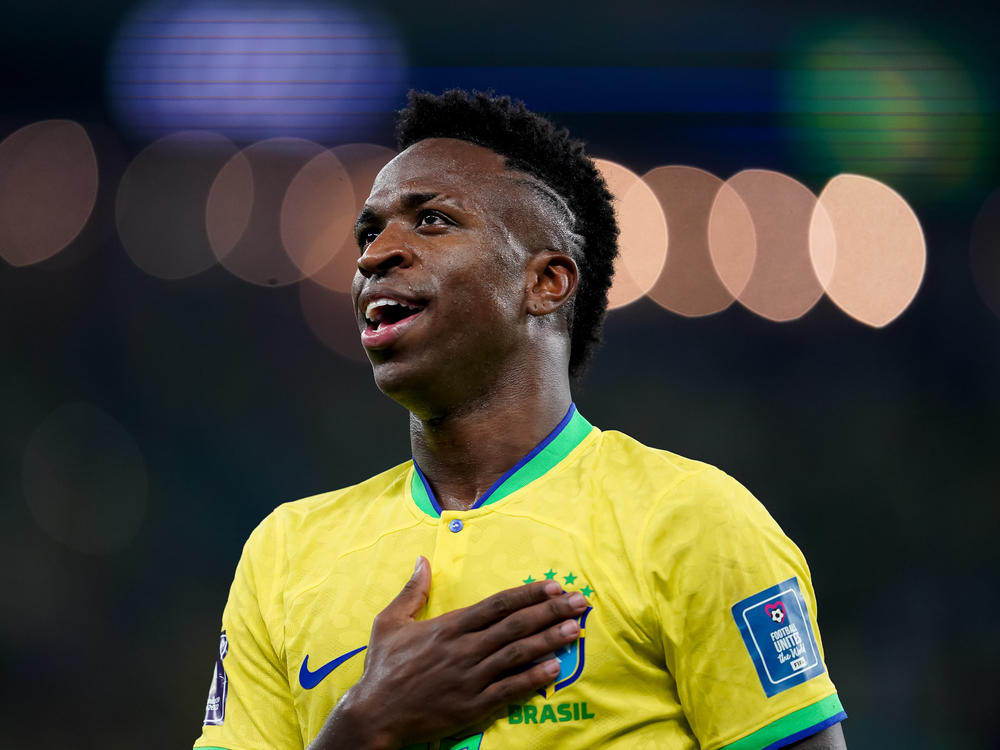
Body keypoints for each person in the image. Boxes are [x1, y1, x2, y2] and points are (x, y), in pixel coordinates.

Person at [193, 90, 848, 750]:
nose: (374, 256)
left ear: (545, 282)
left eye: (431, 222)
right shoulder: (285, 553)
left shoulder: (691, 521)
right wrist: (363, 729)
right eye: (369, 233)